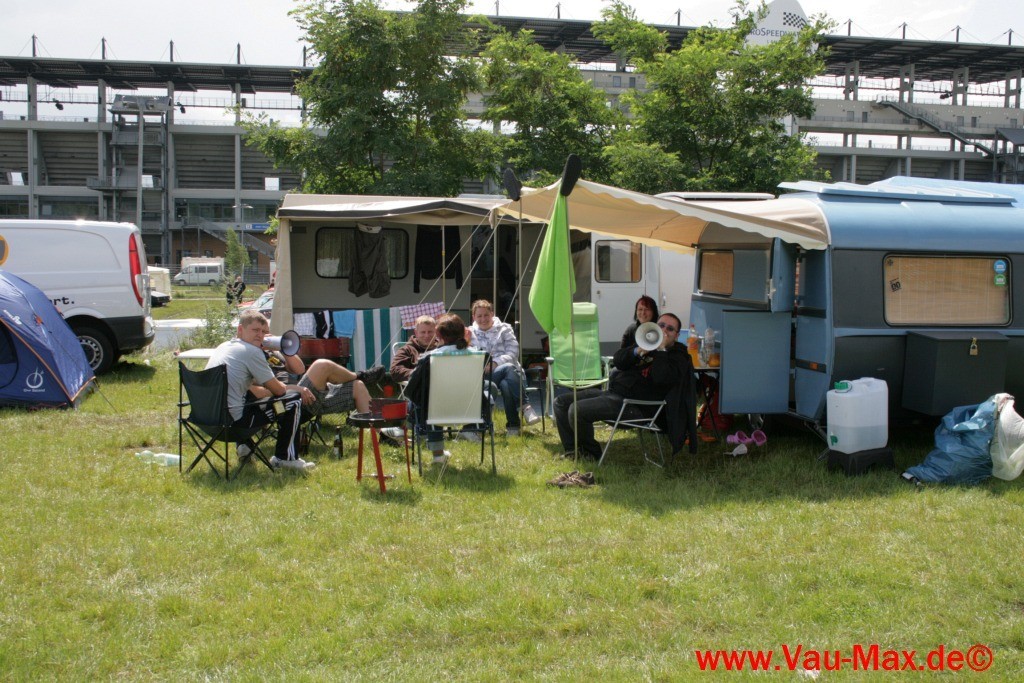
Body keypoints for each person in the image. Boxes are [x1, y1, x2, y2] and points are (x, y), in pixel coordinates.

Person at [555, 312, 697, 461]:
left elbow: (660, 377)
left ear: (677, 335)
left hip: (636, 406)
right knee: (561, 403)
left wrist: (661, 350)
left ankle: (591, 454)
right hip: (615, 395)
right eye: (661, 325)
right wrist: (636, 351)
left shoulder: (679, 357)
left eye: (670, 329)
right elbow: (618, 360)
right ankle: (573, 451)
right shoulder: (648, 343)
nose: (664, 330)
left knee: (577, 410)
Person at [205, 310, 317, 470]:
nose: (260, 335)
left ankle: (245, 446)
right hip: (234, 424)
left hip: (208, 420)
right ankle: (285, 458)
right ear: (240, 329)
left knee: (249, 396)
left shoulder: (223, 347)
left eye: (264, 332)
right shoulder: (251, 352)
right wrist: (297, 388)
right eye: (255, 330)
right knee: (292, 400)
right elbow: (279, 391)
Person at [405, 313, 487, 464]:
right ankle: (469, 430)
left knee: (429, 398)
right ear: (464, 332)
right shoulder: (479, 355)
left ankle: (437, 455)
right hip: (471, 412)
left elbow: (410, 389)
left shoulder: (430, 358)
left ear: (438, 334)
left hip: (436, 412)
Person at [468, 299, 541, 436]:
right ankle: (525, 406)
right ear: (474, 317)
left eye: (486, 315)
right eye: (479, 316)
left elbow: (513, 352)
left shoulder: (504, 329)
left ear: (492, 314)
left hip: (512, 375)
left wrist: (496, 363)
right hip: (486, 376)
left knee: (506, 383)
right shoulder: (469, 333)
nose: (483, 319)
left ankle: (513, 426)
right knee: (507, 368)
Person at [389, 315, 439, 383]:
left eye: (430, 332)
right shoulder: (407, 350)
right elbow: (395, 370)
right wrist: (419, 373)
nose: (426, 335)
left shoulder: (442, 348)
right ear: (416, 333)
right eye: (423, 332)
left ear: (436, 332)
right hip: (420, 387)